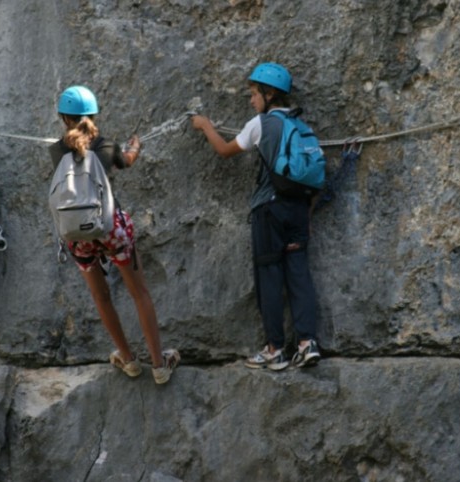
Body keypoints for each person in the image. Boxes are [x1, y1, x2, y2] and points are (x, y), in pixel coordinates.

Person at [191, 62, 321, 370]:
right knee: (299, 275)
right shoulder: (301, 125)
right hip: (299, 209)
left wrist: (205, 125)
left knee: (270, 278)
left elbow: (224, 150)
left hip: (269, 211)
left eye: (253, 94)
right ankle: (307, 342)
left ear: (269, 93)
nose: (251, 101)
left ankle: (275, 348)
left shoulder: (261, 124)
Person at [49, 85, 179, 384]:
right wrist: (134, 147)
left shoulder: (56, 150)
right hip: (110, 227)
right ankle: (159, 365)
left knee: (100, 296)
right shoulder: (107, 147)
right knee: (140, 292)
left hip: (76, 233)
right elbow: (127, 161)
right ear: (93, 115)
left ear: (62, 117)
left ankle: (127, 358)